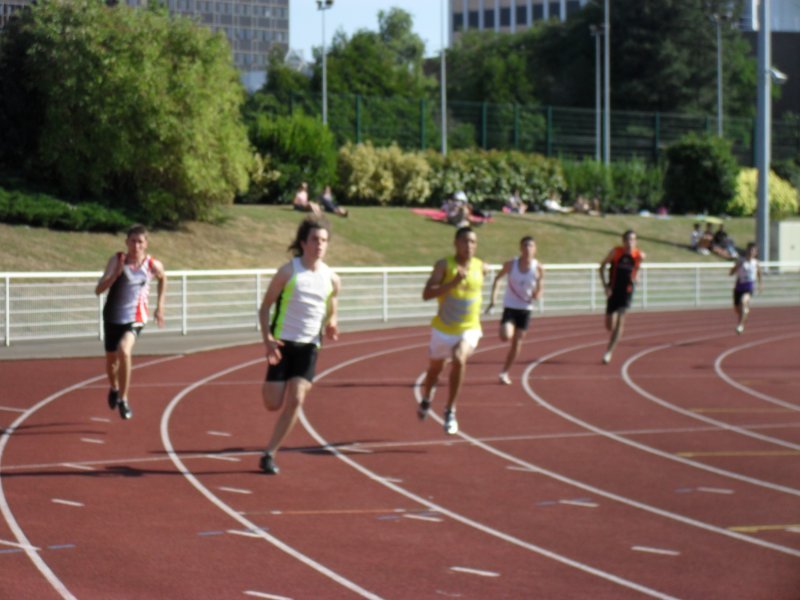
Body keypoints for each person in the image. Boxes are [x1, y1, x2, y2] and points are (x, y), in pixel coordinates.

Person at [257, 217, 341, 474]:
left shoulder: (332, 278)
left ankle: (269, 453)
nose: (320, 245)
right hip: (282, 343)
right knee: (272, 403)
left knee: (296, 399)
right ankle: (270, 387)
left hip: (309, 347)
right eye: (315, 239)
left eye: (324, 240)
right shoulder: (288, 272)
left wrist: (332, 321)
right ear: (303, 243)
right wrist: (267, 340)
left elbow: (332, 304)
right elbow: (265, 308)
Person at [418, 226, 488, 435]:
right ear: (455, 243)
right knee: (434, 372)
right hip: (443, 329)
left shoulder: (481, 267)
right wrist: (453, 283)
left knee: (459, 358)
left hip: (469, 328)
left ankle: (450, 410)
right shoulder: (444, 265)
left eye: (473, 242)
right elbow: (426, 294)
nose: (469, 246)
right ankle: (427, 398)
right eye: (465, 241)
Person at [95, 224, 166, 420]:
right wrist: (115, 275)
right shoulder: (117, 260)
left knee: (124, 350)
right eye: (133, 241)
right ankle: (114, 387)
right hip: (112, 317)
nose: (136, 246)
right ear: (126, 242)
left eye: (140, 242)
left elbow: (163, 278)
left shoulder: (152, 265)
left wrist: (160, 306)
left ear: (146, 244)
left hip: (135, 318)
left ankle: (123, 399)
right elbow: (98, 290)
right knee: (111, 364)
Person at [485, 236, 544, 385]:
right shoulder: (511, 264)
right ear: (520, 248)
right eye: (525, 246)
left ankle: (505, 372)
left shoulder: (538, 268)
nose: (528, 249)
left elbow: (538, 294)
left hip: (525, 309)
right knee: (505, 336)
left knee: (517, 343)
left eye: (531, 246)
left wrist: (538, 286)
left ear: (535, 249)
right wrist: (493, 300)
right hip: (510, 307)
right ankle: (505, 330)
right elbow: (498, 279)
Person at [598, 230, 644, 365]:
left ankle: (609, 352)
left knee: (620, 321)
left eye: (633, 240)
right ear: (623, 241)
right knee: (609, 325)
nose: (630, 242)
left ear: (636, 241)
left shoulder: (638, 255)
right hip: (613, 291)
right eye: (628, 240)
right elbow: (602, 267)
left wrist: (636, 278)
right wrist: (605, 286)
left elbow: (637, 270)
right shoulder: (616, 252)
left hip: (626, 292)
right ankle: (613, 337)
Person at [730, 242, 762, 335]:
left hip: (749, 286)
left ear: (756, 252)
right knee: (737, 309)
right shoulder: (741, 260)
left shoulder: (756, 263)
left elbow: (759, 273)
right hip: (739, 286)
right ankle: (745, 313)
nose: (751, 252)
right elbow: (733, 271)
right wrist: (734, 269)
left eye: (753, 250)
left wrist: (760, 284)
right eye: (749, 250)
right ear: (746, 250)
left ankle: (740, 325)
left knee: (743, 301)